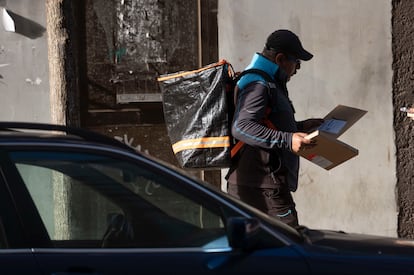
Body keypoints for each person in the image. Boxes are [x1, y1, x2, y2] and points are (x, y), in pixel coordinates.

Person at [226, 29, 323, 228]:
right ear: (280, 59)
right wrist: (288, 140)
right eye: (297, 63)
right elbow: (241, 127)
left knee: (259, 252)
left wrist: (301, 127)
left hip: (257, 183)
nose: (296, 69)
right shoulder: (259, 84)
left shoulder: (266, 81)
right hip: (263, 187)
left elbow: (265, 124)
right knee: (289, 249)